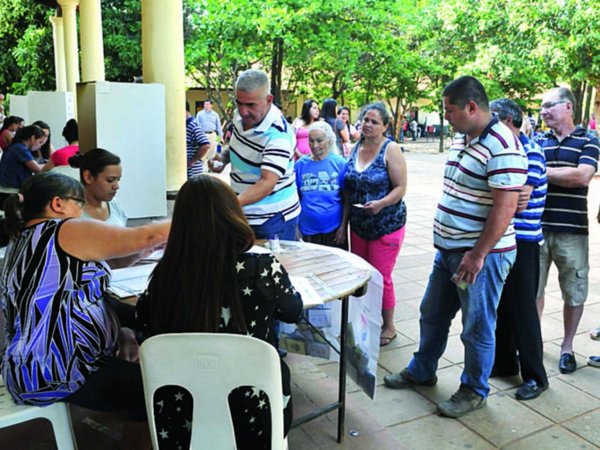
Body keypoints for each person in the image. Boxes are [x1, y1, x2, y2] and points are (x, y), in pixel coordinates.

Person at [383, 76, 527, 418]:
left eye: (449, 110)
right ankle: (423, 368)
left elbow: (505, 208)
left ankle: (474, 389)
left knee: (476, 325)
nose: (445, 117)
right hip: (449, 251)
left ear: (472, 108)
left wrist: (477, 255)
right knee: (432, 312)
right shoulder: (465, 139)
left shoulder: (501, 144)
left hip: (480, 257)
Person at [0, 172, 170, 450]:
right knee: (153, 390)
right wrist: (199, 208)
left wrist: (121, 331)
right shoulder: (63, 229)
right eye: (78, 204)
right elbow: (149, 234)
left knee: (136, 323)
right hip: (54, 369)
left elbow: (89, 275)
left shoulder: (23, 238)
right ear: (58, 204)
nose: (82, 213)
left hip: (28, 367)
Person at [135, 175, 303, 449]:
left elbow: (144, 322)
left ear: (181, 223)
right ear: (232, 215)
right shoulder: (263, 268)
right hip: (255, 412)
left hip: (179, 417)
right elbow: (293, 312)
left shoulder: (166, 273)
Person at [535, 87, 599, 375]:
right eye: (541, 107)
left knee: (574, 291)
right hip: (535, 229)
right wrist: (560, 174)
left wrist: (541, 172)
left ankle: (567, 347)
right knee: (532, 290)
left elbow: (582, 176)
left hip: (572, 230)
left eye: (549, 105)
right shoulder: (538, 140)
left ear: (569, 107)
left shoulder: (589, 139)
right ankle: (533, 343)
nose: (543, 111)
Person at [490, 98, 548, 400]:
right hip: (502, 239)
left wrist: (497, 199)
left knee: (524, 309)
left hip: (524, 242)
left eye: (495, 122)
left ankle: (536, 376)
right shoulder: (501, 151)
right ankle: (504, 363)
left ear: (510, 122)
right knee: (502, 306)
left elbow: (516, 202)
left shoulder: (532, 153)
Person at [342, 102, 407, 347]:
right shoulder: (355, 148)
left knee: (381, 277)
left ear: (385, 127)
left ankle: (389, 326)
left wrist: (381, 204)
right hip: (359, 225)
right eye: (365, 120)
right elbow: (348, 190)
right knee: (361, 274)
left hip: (386, 224)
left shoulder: (391, 150)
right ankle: (363, 320)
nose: (367, 125)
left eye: (374, 122)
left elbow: (401, 188)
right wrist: (343, 224)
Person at [208, 69, 300, 240]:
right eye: (239, 103)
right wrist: (223, 158)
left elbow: (266, 183)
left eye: (250, 105)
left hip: (272, 218)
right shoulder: (241, 116)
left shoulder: (278, 135)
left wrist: (228, 205)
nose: (243, 111)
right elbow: (239, 145)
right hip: (242, 212)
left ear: (268, 100)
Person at [295, 121, 347, 247]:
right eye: (311, 141)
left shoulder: (340, 164)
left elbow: (346, 199)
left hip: (333, 231)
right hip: (307, 231)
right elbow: (295, 199)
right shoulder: (300, 165)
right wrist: (296, 228)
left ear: (329, 140)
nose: (315, 145)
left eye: (319, 140)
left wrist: (343, 228)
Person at [68, 148, 128, 227]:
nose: (116, 186)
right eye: (110, 180)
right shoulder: (72, 215)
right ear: (88, 177)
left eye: (118, 180)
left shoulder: (112, 203)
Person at [186, 101, 211, 177]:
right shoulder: (185, 124)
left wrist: (192, 161)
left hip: (192, 172)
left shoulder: (192, 125)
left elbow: (205, 145)